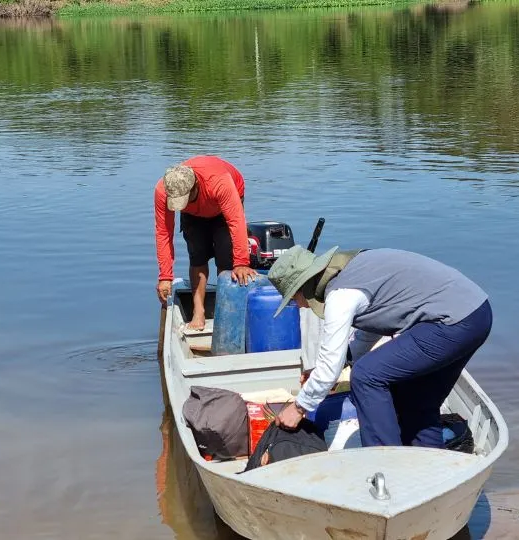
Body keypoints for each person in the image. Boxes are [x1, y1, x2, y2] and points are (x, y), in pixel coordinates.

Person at [267, 245, 492, 448]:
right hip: (477, 313)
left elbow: (330, 367)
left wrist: (298, 408)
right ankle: (434, 471)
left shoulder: (340, 296)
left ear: (304, 286)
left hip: (451, 322)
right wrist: (340, 363)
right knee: (417, 402)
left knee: (366, 375)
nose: (298, 306)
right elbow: (372, 329)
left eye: (293, 298)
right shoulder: (353, 270)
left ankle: (386, 464)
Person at [154, 155, 257, 330]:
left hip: (224, 202)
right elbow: (163, 233)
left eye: (183, 200)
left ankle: (226, 312)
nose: (179, 205)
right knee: (197, 255)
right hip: (194, 214)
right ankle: (198, 312)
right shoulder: (163, 190)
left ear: (194, 186)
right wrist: (165, 276)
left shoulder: (219, 182)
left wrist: (241, 262)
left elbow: (236, 222)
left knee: (226, 260)